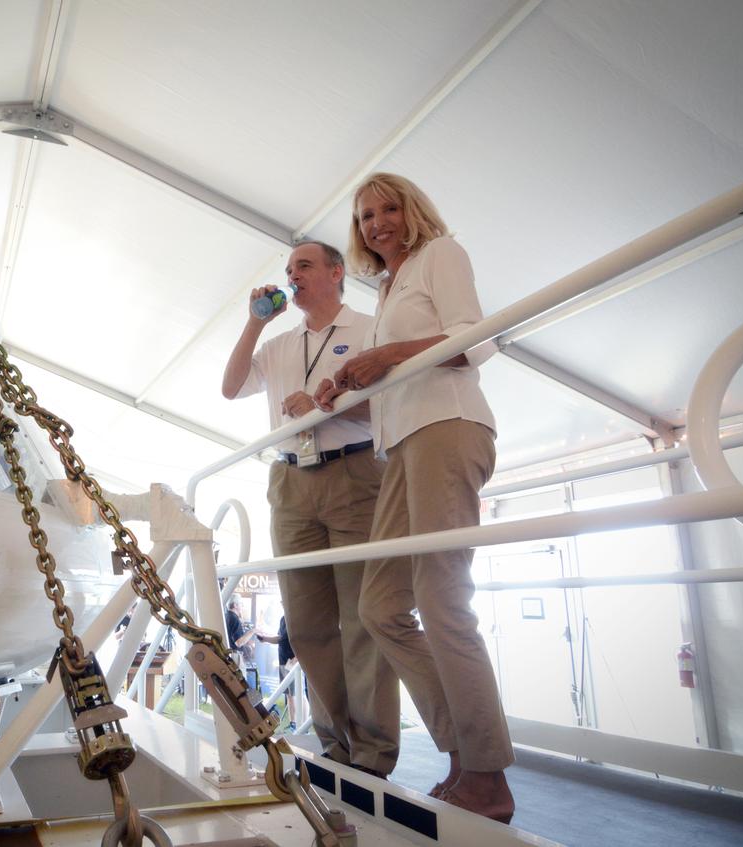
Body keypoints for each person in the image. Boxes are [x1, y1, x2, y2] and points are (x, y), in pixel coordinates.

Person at [315, 173, 513, 823]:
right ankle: (461, 748)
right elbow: (395, 377)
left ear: (412, 209)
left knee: (440, 597)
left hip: (446, 431)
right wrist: (345, 388)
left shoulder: (440, 255)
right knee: (380, 606)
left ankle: (485, 775)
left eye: (387, 207)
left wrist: (386, 355)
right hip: (401, 447)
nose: (376, 222)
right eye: (365, 214)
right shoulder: (387, 286)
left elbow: (474, 340)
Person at [222, 240, 400, 778]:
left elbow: (391, 406)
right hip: (290, 482)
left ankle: (372, 754)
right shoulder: (279, 343)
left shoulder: (370, 328)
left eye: (303, 265)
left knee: (363, 617)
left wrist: (327, 405)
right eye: (288, 269)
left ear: (335, 272)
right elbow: (231, 388)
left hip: (353, 474)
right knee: (306, 622)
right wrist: (253, 323)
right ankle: (335, 744)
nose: (292, 275)